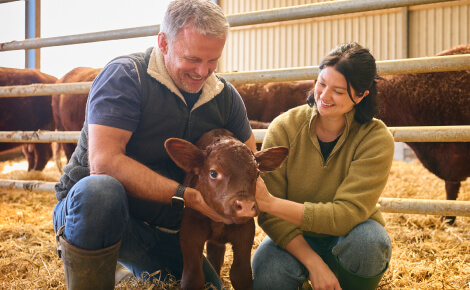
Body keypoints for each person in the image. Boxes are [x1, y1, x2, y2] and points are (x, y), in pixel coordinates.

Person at [52, 0, 257, 288]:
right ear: (163, 42)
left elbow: (250, 163)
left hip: (169, 231)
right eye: (193, 59)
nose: (203, 71)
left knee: (208, 286)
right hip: (101, 215)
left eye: (213, 61)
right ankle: (93, 267)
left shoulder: (225, 97)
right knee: (100, 191)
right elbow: (105, 163)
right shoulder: (126, 76)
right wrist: (186, 195)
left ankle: (127, 266)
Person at [252, 42, 395, 290]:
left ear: (361, 95)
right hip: (296, 238)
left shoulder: (375, 138)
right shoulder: (284, 127)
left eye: (339, 92)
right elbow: (270, 216)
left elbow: (345, 215)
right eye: (321, 83)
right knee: (267, 268)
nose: (324, 96)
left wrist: (272, 204)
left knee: (370, 243)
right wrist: (314, 262)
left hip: (350, 233)